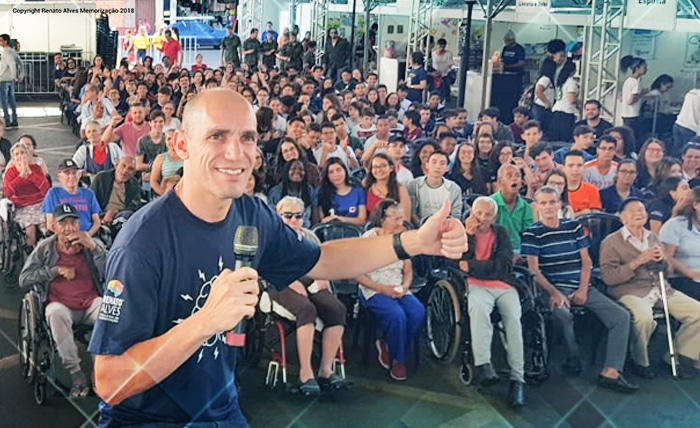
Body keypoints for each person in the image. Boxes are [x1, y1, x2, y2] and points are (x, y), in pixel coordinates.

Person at [87, 89, 466, 426]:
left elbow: (324, 260)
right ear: (181, 146)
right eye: (217, 136)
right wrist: (205, 322)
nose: (236, 153)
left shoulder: (251, 213)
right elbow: (110, 381)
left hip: (219, 409)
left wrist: (413, 242)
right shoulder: (142, 244)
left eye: (247, 138)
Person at [522, 186, 637, 393]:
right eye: (543, 203)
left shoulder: (573, 226)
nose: (548, 207)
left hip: (582, 286)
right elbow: (534, 271)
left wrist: (583, 290)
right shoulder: (532, 232)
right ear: (537, 206)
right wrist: (555, 293)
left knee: (621, 317)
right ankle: (573, 356)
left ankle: (611, 371)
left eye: (552, 202)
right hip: (552, 288)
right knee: (562, 315)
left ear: (560, 204)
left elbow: (586, 262)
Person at [600, 198, 700, 378]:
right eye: (633, 211)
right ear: (622, 218)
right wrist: (639, 261)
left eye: (642, 210)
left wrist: (663, 261)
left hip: (661, 288)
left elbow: (667, 271)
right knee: (644, 318)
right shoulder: (611, 242)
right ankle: (640, 361)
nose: (639, 214)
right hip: (630, 290)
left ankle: (675, 355)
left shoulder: (653, 237)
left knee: (698, 313)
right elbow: (609, 278)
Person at [19, 203, 106, 398]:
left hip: (90, 302)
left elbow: (114, 270)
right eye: (63, 223)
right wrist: (55, 271)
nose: (68, 228)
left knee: (106, 311)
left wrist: (93, 247)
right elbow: (24, 278)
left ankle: (98, 371)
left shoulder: (90, 244)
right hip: (62, 305)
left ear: (79, 224)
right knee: (54, 312)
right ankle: (76, 374)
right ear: (55, 227)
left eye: (73, 222)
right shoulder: (45, 247)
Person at [270, 196, 348, 393]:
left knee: (337, 309)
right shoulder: (271, 238)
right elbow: (265, 269)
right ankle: (306, 373)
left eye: (298, 216)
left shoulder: (310, 237)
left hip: (309, 279)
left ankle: (326, 370)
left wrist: (322, 277)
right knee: (306, 309)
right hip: (278, 282)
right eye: (288, 216)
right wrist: (289, 281)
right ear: (278, 216)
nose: (294, 220)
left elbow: (321, 263)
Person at [460, 197, 525, 407]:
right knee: (478, 311)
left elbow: (503, 267)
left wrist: (471, 265)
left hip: (503, 285)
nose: (482, 218)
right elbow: (454, 261)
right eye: (478, 213)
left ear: (494, 217)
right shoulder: (463, 232)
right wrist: (469, 237)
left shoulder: (502, 233)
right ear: (472, 213)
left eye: (487, 215)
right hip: (476, 285)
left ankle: (518, 378)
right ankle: (484, 364)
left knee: (514, 320)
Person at [357, 199, 425, 382]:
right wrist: (382, 289)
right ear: (382, 218)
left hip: (397, 285)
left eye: (401, 218)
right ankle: (399, 360)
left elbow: (408, 271)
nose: (400, 223)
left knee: (418, 311)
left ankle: (389, 344)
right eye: (395, 218)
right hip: (373, 287)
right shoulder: (369, 238)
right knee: (397, 315)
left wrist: (404, 287)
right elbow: (358, 274)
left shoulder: (402, 238)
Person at [3, 142, 50, 247]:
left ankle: (46, 250)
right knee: (30, 230)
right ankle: (31, 255)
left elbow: (46, 188)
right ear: (13, 159)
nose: (20, 156)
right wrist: (20, 177)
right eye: (17, 154)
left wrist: (31, 174)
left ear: (28, 155)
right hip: (22, 207)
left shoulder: (36, 168)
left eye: (22, 153)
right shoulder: (11, 172)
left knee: (45, 228)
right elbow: (7, 192)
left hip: (39, 203)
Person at [42, 159, 102, 236]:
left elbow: (97, 222)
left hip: (87, 236)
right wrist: (67, 238)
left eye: (74, 173)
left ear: (79, 175)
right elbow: (50, 225)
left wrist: (87, 236)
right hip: (62, 237)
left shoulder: (89, 193)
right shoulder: (53, 193)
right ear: (59, 176)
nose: (72, 176)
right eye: (67, 173)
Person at [660, 186, 700, 302]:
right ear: (695, 205)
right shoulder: (675, 225)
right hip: (682, 278)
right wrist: (692, 274)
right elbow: (667, 257)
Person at [406, 150, 462, 224]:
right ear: (426, 165)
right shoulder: (414, 185)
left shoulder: (454, 189)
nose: (437, 166)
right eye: (434, 162)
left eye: (442, 163)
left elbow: (455, 216)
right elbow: (411, 212)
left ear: (447, 168)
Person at [491, 164, 533, 255]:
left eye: (517, 176)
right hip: (495, 251)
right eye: (509, 175)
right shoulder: (490, 203)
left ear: (521, 182)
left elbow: (529, 235)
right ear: (500, 181)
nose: (514, 179)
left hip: (519, 250)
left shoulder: (526, 207)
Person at [90, 156, 142, 227]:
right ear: (116, 165)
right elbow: (91, 202)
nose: (125, 171)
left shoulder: (134, 184)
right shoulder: (101, 178)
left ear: (134, 173)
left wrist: (114, 212)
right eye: (123, 166)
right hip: (101, 216)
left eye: (130, 169)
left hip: (122, 215)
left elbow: (135, 205)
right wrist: (103, 216)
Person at [316, 158, 367, 226]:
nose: (336, 174)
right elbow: (322, 221)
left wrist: (338, 219)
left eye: (338, 170)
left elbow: (362, 220)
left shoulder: (358, 191)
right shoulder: (322, 192)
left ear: (345, 171)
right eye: (331, 172)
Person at [620, 56, 648, 143]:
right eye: (644, 67)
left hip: (625, 114)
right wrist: (642, 94)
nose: (646, 69)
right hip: (633, 115)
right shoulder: (636, 82)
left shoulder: (628, 80)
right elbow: (631, 101)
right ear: (637, 68)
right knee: (633, 139)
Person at [0, 33, 23, 129]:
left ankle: (8, 123)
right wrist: (20, 75)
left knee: (4, 102)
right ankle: (15, 121)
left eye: (1, 40)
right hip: (9, 80)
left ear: (5, 41)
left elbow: (12, 64)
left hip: (4, 79)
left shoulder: (5, 52)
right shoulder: (13, 51)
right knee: (12, 101)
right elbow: (20, 63)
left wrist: (15, 76)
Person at [672, 88, 700, 158]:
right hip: (690, 128)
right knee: (689, 155)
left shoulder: (691, 92)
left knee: (677, 155)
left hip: (678, 124)